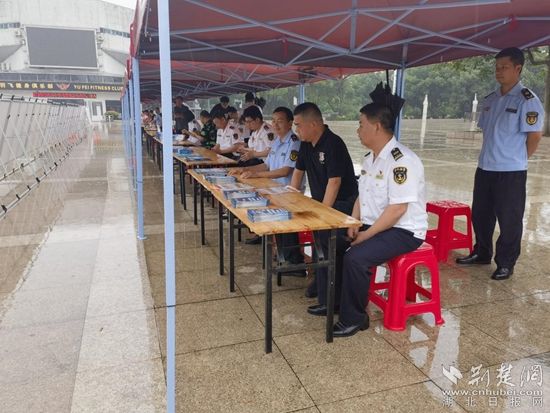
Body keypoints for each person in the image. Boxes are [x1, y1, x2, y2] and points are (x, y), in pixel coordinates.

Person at [334, 102, 427, 337]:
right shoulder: (370, 159)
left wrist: (366, 234)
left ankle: (354, 318)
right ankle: (333, 302)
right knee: (332, 240)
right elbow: (362, 195)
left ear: (376, 127)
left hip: (403, 230)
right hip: (376, 224)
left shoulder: (401, 161)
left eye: (360, 124)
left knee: (356, 258)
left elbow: (398, 209)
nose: (357, 130)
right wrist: (354, 222)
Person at [456, 47, 544, 281]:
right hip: (485, 168)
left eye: (504, 67)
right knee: (481, 215)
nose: (499, 71)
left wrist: (519, 158)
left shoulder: (527, 100)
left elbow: (534, 136)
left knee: (509, 220)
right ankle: (482, 252)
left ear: (518, 68)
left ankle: (505, 262)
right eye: (497, 67)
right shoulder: (491, 99)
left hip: (511, 171)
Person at [289, 102, 358, 308]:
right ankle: (320, 283)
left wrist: (322, 214)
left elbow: (334, 182)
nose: (296, 130)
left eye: (298, 125)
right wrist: (290, 200)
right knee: (318, 241)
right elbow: (298, 173)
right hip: (323, 203)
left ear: (313, 124)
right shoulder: (305, 144)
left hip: (343, 204)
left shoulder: (333, 143)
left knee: (328, 242)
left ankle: (331, 301)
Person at [229, 107, 303, 253]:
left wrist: (257, 175)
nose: (275, 125)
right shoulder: (276, 141)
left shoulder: (294, 143)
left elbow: (285, 171)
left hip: (287, 192)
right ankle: (278, 251)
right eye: (273, 121)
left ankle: (292, 259)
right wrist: (245, 169)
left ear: (290, 123)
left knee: (287, 231)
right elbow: (266, 165)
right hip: (273, 189)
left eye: (280, 121)